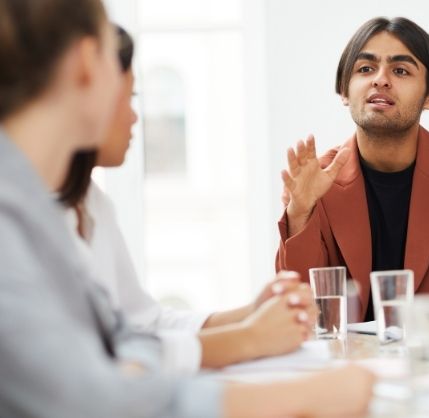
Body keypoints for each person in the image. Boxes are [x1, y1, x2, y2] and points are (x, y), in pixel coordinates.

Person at [0, 0, 373, 416]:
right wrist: (304, 398)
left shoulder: (35, 204)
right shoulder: (14, 217)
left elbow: (123, 343)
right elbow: (91, 397)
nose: (134, 109)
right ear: (88, 63)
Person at [58, 25, 316, 373]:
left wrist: (252, 311)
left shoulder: (93, 202)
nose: (135, 117)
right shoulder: (28, 216)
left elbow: (146, 323)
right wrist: (250, 336)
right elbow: (106, 363)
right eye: (129, 97)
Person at [276, 17, 429, 320]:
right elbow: (302, 316)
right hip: (352, 360)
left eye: (400, 70)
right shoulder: (316, 178)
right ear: (344, 91)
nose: (380, 80)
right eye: (365, 69)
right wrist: (300, 214)